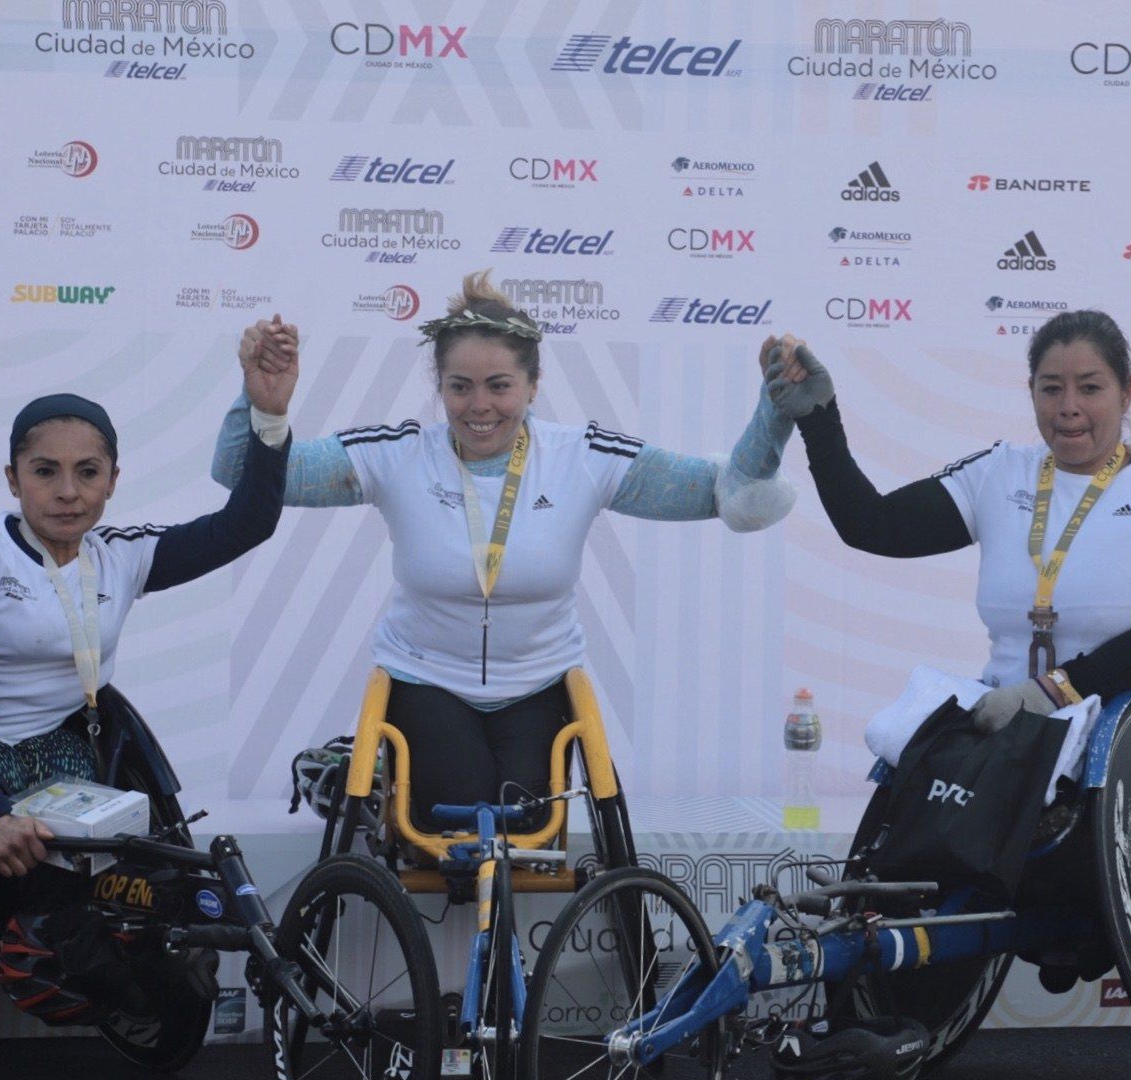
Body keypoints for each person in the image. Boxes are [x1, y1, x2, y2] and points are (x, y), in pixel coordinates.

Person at [217, 270, 808, 822]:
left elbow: (727, 492)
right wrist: (264, 406)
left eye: (500, 386)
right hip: (427, 681)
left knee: (524, 822)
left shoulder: (582, 455)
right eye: (460, 387)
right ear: (439, 387)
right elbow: (242, 474)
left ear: (533, 385)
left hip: (538, 684)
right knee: (460, 814)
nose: (479, 407)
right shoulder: (395, 453)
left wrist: (773, 415)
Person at [0, 386, 289, 1024]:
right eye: (45, 472)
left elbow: (248, 524)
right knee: (43, 905)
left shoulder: (120, 556)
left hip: (64, 751)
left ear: (112, 481)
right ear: (13, 480)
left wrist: (268, 415)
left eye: (87, 473)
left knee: (135, 888)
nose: (67, 491)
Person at [766, 308, 1131, 729]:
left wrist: (1048, 693)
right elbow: (872, 525)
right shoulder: (999, 472)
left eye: (1090, 387)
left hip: (1128, 725)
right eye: (1051, 388)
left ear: (1127, 390)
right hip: (1011, 719)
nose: (1068, 407)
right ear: (1032, 391)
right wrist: (818, 418)